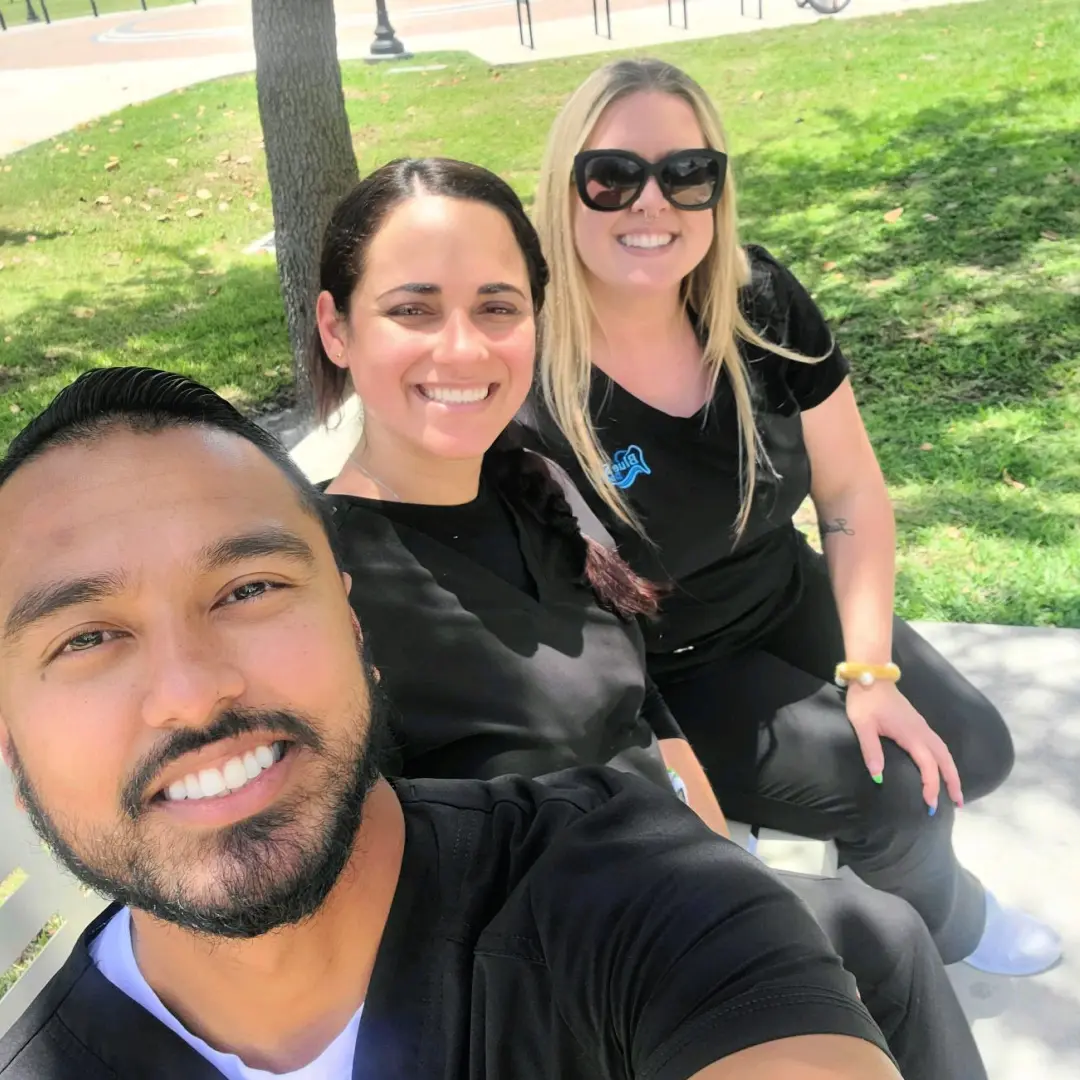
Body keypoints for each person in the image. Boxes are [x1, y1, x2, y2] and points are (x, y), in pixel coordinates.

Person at [0, 367, 899, 1079]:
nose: (193, 694)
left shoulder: (630, 895)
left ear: (354, 623)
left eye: (250, 589)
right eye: (86, 638)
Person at [309, 156, 986, 1080]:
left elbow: (643, 705)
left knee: (890, 936)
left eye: (498, 307)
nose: (463, 348)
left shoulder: (533, 482)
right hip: (549, 988)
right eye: (413, 310)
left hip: (672, 897)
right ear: (336, 327)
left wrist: (724, 868)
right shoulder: (321, 582)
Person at [520, 56, 1061, 977]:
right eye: (612, 176)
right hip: (667, 664)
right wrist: (671, 771)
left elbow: (849, 495)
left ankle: (873, 873)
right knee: (900, 798)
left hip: (782, 593)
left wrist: (870, 673)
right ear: (565, 187)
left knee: (973, 747)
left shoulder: (756, 300)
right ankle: (941, 922)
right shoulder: (530, 366)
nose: (652, 205)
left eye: (687, 174)